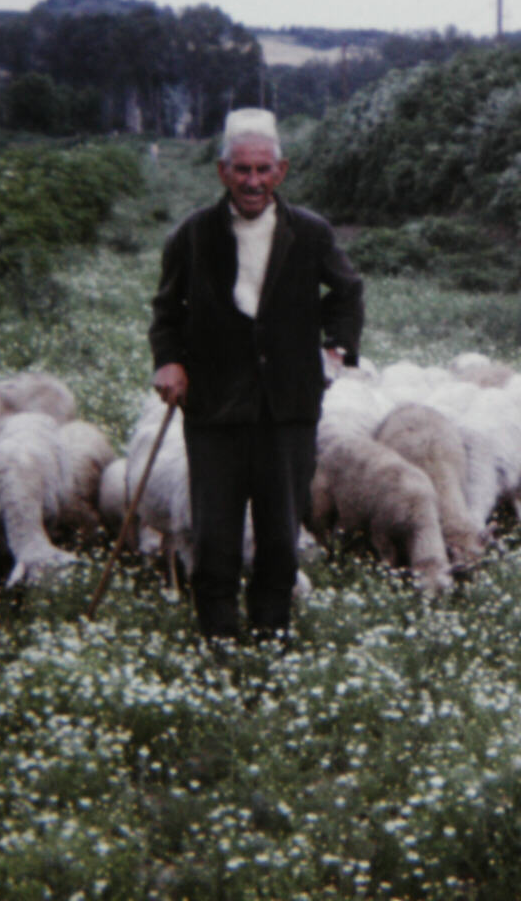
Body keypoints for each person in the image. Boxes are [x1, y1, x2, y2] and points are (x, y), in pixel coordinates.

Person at [149, 108, 363, 642]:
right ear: (222, 171)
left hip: (287, 410)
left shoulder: (310, 233)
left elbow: (348, 293)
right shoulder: (194, 235)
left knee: (279, 534)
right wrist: (169, 359)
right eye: (241, 169)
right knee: (215, 532)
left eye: (263, 170)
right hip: (215, 410)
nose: (252, 181)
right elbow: (166, 309)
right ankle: (218, 638)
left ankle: (270, 634)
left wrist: (333, 353)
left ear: (281, 171)